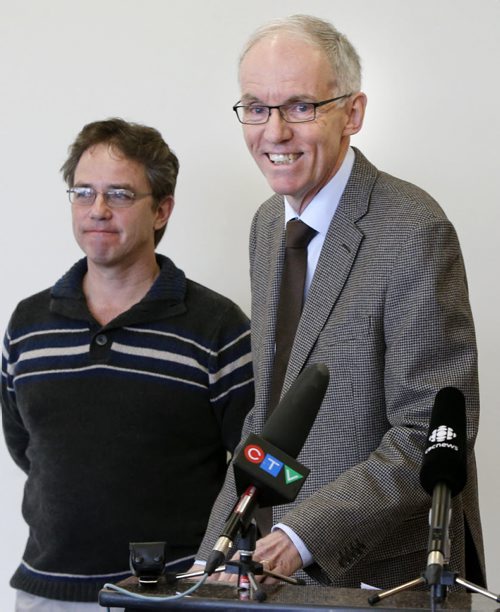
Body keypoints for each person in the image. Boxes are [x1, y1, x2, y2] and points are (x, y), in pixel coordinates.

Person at [194, 14, 485, 590]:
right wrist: (214, 553)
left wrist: (299, 539)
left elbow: (428, 429)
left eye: (300, 106)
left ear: (352, 113)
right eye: (255, 106)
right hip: (274, 571)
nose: (273, 132)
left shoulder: (413, 230)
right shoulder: (266, 224)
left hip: (383, 575)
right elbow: (269, 417)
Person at [1, 118, 254, 610]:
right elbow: (28, 447)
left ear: (161, 210)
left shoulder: (217, 327)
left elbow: (256, 469)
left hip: (175, 594)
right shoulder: (28, 324)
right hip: (44, 591)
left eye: (118, 194)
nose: (97, 210)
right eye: (83, 192)